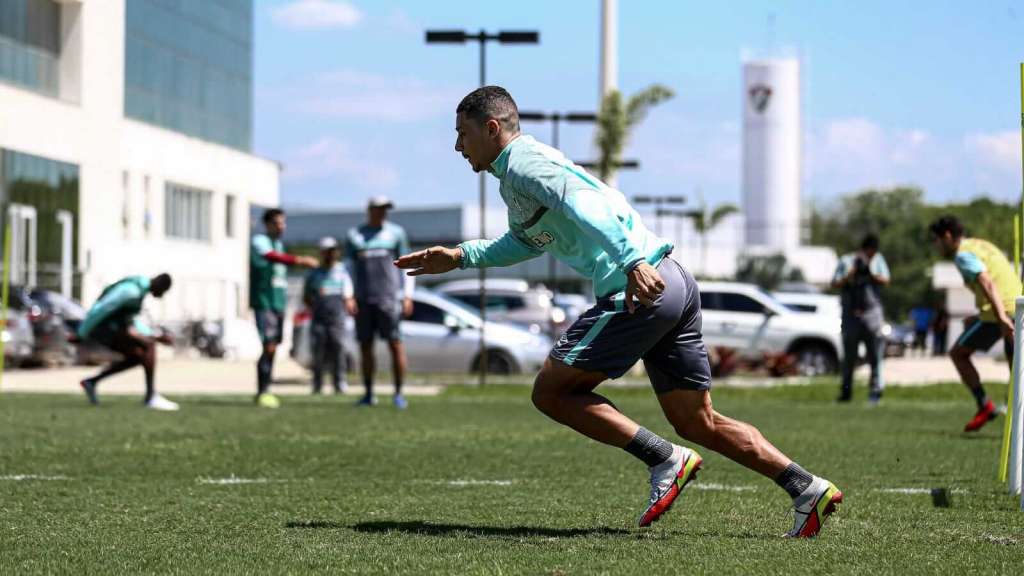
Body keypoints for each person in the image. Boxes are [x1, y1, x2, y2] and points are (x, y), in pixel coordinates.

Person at [395, 86, 842, 537]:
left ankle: (664, 457)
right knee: (696, 419)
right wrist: (461, 257)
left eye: (462, 134)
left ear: (491, 129)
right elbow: (526, 241)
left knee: (552, 392)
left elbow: (592, 205)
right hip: (672, 281)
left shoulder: (526, 165)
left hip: (638, 288)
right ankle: (807, 488)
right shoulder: (518, 174)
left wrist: (631, 263)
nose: (457, 146)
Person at [930, 215, 1020, 432]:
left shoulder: (962, 255)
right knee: (1018, 372)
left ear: (948, 236)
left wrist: (1001, 318)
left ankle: (984, 405)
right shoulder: (981, 244)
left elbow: (988, 282)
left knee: (958, 353)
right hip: (1016, 306)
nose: (935, 245)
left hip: (1002, 312)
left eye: (936, 240)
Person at [345, 196, 414, 409]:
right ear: (370, 210)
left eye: (386, 209)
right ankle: (368, 393)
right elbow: (348, 269)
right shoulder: (354, 236)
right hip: (364, 300)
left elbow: (407, 265)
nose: (383, 212)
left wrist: (407, 295)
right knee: (366, 346)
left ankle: (399, 393)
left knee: (395, 344)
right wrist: (348, 295)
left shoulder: (396, 233)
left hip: (389, 299)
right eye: (379, 209)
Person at [78, 274, 178, 410]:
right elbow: (102, 308)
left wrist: (154, 335)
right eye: (163, 292)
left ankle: (91, 382)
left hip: (112, 329)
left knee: (140, 356)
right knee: (148, 346)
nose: (161, 296)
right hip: (103, 330)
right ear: (159, 285)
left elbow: (130, 322)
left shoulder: (139, 292)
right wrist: (82, 333)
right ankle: (150, 397)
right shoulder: (131, 292)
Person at [250, 208, 318, 408]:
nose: (282, 227)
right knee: (268, 345)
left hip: (278, 303)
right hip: (264, 302)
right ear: (268, 224)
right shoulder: (259, 242)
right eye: (278, 223)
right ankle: (263, 390)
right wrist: (299, 260)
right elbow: (271, 257)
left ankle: (266, 388)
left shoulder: (279, 244)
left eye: (283, 223)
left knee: (273, 346)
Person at [831, 234, 890, 404]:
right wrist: (850, 275)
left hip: (872, 315)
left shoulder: (878, 260)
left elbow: (886, 280)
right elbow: (834, 283)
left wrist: (871, 273)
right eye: (869, 253)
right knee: (849, 357)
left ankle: (875, 392)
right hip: (850, 315)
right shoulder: (846, 260)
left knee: (875, 356)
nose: (870, 256)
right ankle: (846, 392)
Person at [303, 236, 357, 395]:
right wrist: (316, 307)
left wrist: (349, 304)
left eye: (333, 251)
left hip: (337, 318)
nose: (331, 254)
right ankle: (317, 384)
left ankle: (339, 383)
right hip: (319, 318)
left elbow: (348, 295)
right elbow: (306, 296)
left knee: (338, 350)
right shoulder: (314, 274)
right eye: (327, 251)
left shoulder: (342, 271)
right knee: (318, 353)